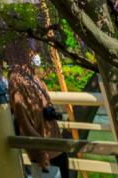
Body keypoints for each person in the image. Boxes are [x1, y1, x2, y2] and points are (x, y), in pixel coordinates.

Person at [7, 41, 71, 178]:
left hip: (56, 145)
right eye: (34, 50)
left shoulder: (33, 76)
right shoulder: (16, 79)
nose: (37, 54)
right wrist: (40, 152)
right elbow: (23, 122)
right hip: (45, 152)